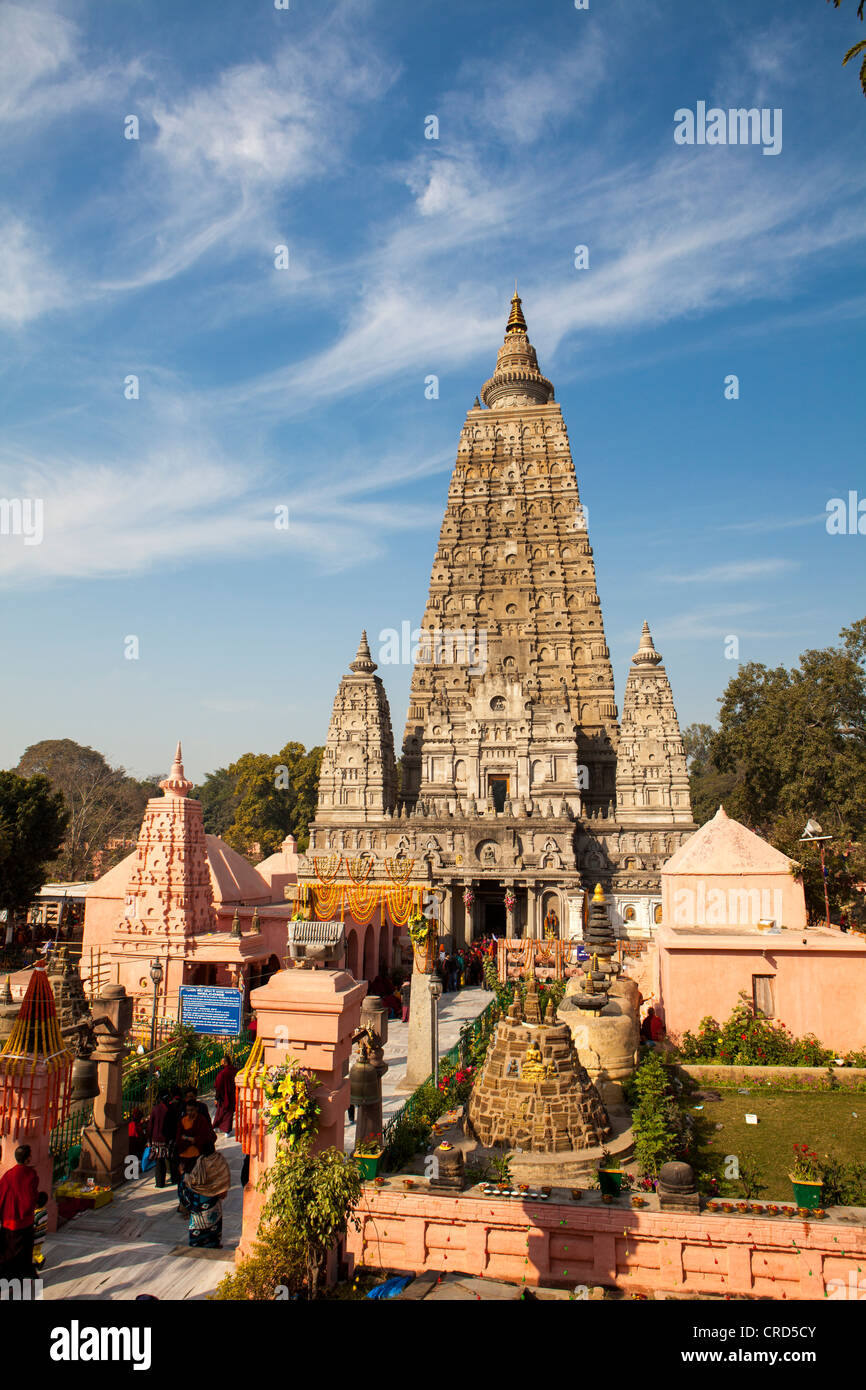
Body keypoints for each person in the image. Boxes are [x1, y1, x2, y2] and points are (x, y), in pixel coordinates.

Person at [177, 1143, 230, 1249]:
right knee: (214, 1228)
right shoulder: (217, 1161)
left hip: (198, 1206)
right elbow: (223, 1190)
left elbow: (183, 1187)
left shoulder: (191, 1163)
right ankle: (214, 1244)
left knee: (197, 1231)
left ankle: (196, 1246)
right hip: (212, 1204)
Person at [0, 1144, 40, 1280]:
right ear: (28, 1159)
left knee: (8, 1251)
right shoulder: (31, 1175)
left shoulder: (7, 1175)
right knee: (24, 1252)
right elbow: (31, 1198)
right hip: (24, 1221)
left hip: (7, 1220)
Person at [175, 1099, 217, 1213]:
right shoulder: (183, 1121)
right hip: (184, 1157)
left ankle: (194, 1206)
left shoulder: (201, 1121)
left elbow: (203, 1137)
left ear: (197, 1109)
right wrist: (190, 1139)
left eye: (192, 1110)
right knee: (184, 1184)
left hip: (197, 1157)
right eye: (188, 1110)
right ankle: (184, 1206)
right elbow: (179, 1139)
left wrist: (189, 1138)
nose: (190, 1112)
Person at [146, 1091, 174, 1189]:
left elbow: (150, 1125)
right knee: (170, 1159)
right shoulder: (171, 1109)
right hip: (167, 1139)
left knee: (159, 1161)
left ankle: (159, 1183)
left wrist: (149, 1140)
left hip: (156, 1139)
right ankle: (174, 1178)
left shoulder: (155, 1109)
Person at [214, 1053, 237, 1135]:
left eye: (221, 1062)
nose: (220, 1063)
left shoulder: (222, 1073)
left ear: (224, 1062)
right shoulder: (235, 1070)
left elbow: (218, 1087)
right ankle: (227, 1131)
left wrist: (216, 1098)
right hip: (232, 1095)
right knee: (229, 1113)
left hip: (223, 1096)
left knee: (220, 1112)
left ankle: (218, 1127)